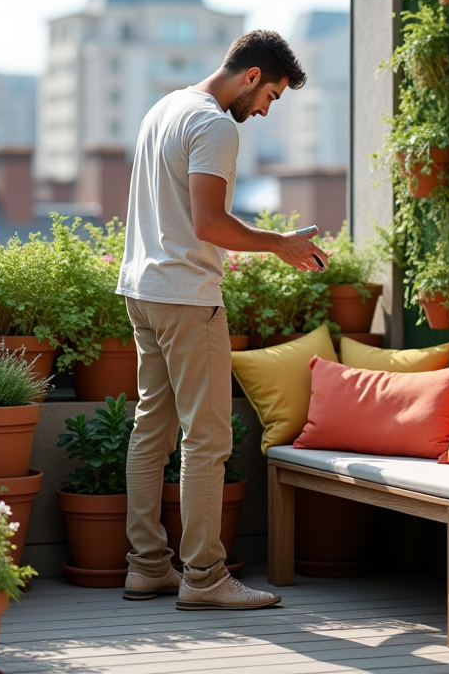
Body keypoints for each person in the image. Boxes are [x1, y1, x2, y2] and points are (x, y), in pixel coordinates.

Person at [117, 30, 325, 610]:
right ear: (252, 75)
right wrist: (280, 243)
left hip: (142, 289)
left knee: (150, 430)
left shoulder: (163, 109)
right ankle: (204, 576)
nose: (264, 110)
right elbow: (209, 224)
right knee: (206, 437)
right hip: (186, 295)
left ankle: (147, 567)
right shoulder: (213, 124)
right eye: (272, 97)